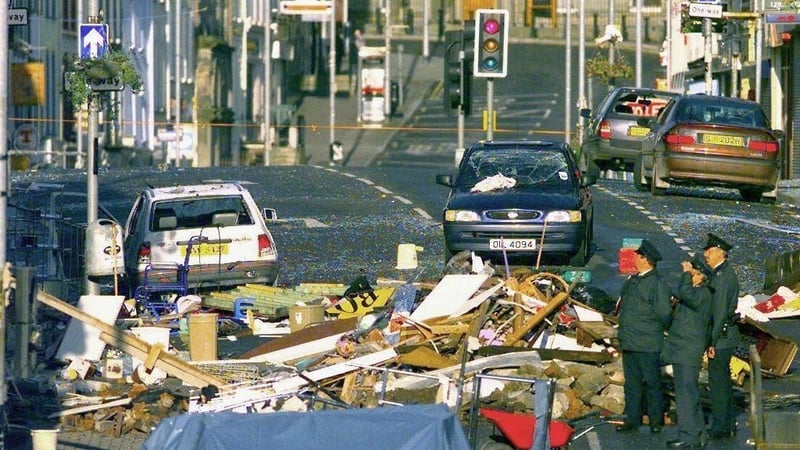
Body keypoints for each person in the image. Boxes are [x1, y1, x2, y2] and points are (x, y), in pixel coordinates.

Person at [615, 239, 674, 434]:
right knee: (631, 385)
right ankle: (632, 420)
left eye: (638, 256)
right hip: (630, 341)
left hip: (648, 343)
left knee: (652, 383)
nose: (634, 258)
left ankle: (656, 421)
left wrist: (655, 329)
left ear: (646, 260)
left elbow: (665, 313)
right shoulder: (633, 281)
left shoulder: (657, 283)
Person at [662, 255, 714, 449]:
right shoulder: (699, 294)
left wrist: (685, 274)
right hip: (683, 348)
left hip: (687, 349)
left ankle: (689, 436)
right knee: (689, 392)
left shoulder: (701, 294)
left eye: (692, 274)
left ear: (699, 276)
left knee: (685, 394)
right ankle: (697, 432)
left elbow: (684, 291)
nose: (688, 277)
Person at [703, 233, 741, 439]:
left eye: (708, 252)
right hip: (724, 337)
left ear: (719, 253)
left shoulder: (723, 277)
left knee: (718, 384)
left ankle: (720, 426)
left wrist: (712, 341)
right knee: (722, 382)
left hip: (722, 338)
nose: (705, 255)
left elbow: (718, 314)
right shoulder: (721, 273)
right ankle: (727, 423)